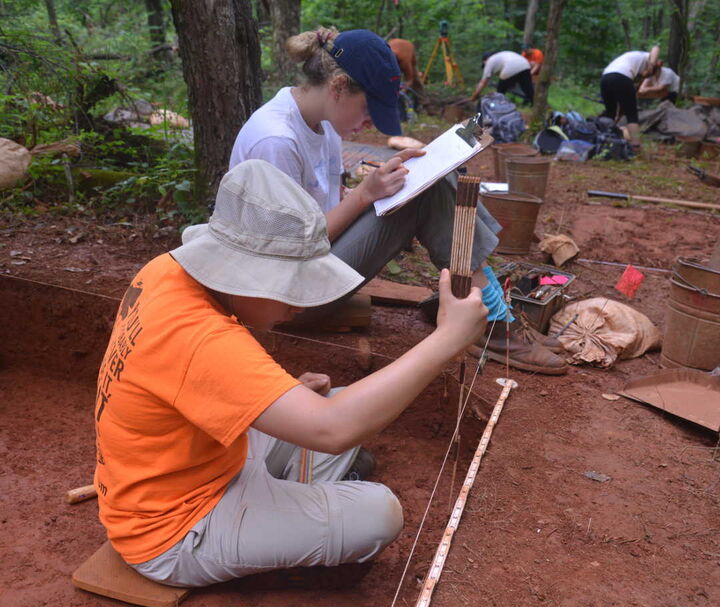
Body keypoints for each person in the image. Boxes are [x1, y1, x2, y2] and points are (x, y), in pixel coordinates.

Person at [93, 159, 488, 588]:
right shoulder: (202, 338)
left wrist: (282, 396)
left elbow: (183, 382)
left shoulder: (165, 272)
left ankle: (286, 506)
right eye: (288, 287)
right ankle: (282, 527)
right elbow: (334, 430)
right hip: (174, 529)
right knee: (377, 511)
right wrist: (446, 340)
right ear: (240, 275)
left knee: (330, 404)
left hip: (197, 464)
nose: (297, 305)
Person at [229, 27, 567, 375]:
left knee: (431, 177)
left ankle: (492, 309)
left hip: (310, 268)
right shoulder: (276, 140)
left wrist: (386, 185)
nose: (369, 121)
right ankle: (494, 321)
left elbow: (316, 206)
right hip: (284, 299)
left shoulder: (319, 123)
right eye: (367, 109)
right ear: (339, 86)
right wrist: (364, 195)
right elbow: (284, 250)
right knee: (429, 193)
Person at [600, 46, 662, 150]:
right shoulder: (647, 57)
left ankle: (604, 141)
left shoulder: (633, 61)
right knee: (632, 115)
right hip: (621, 77)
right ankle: (636, 146)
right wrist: (651, 66)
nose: (645, 75)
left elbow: (625, 93)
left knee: (610, 113)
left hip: (605, 78)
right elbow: (656, 48)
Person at [464, 50, 534, 105]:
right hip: (525, 65)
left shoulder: (489, 61)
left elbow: (483, 82)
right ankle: (534, 103)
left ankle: (498, 106)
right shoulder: (500, 56)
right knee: (528, 89)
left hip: (511, 67)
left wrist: (475, 96)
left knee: (500, 92)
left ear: (485, 60)